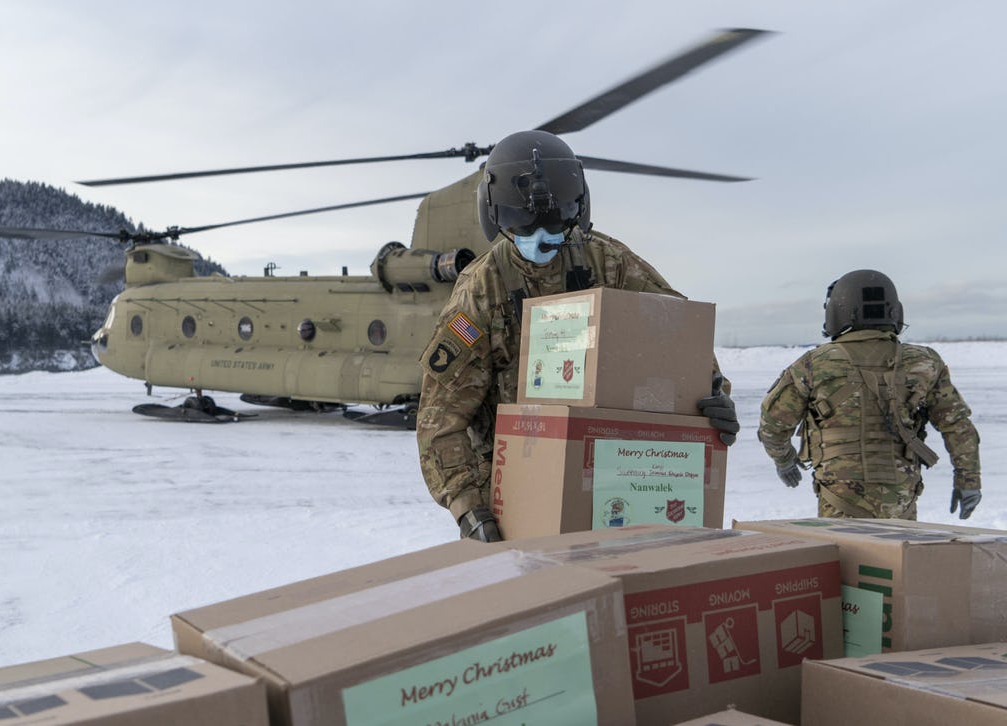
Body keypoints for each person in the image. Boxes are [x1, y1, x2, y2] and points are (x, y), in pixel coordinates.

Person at [415, 130, 738, 542]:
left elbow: (675, 333)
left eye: (556, 220)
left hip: (613, 475)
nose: (541, 236)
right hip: (517, 486)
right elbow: (440, 420)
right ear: (494, 216)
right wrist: (470, 510)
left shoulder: (608, 263)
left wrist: (713, 393)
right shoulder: (480, 293)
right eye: (522, 222)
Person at [757, 269, 981, 520]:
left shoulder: (815, 363)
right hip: (900, 499)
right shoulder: (924, 362)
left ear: (838, 310)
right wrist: (969, 480)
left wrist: (784, 459)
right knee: (896, 556)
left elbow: (773, 423)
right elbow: (957, 425)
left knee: (845, 557)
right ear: (894, 311)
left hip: (840, 499)